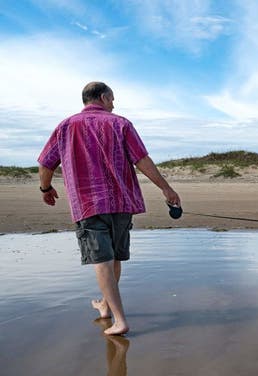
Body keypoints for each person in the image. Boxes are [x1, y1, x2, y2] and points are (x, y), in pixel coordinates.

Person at [38, 81, 180, 335]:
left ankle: (119, 320)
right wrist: (166, 188)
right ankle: (105, 305)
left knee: (103, 260)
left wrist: (45, 188)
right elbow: (142, 160)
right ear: (103, 97)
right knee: (111, 257)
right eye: (112, 99)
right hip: (120, 202)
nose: (114, 104)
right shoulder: (120, 123)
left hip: (88, 203)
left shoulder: (66, 126)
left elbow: (46, 162)